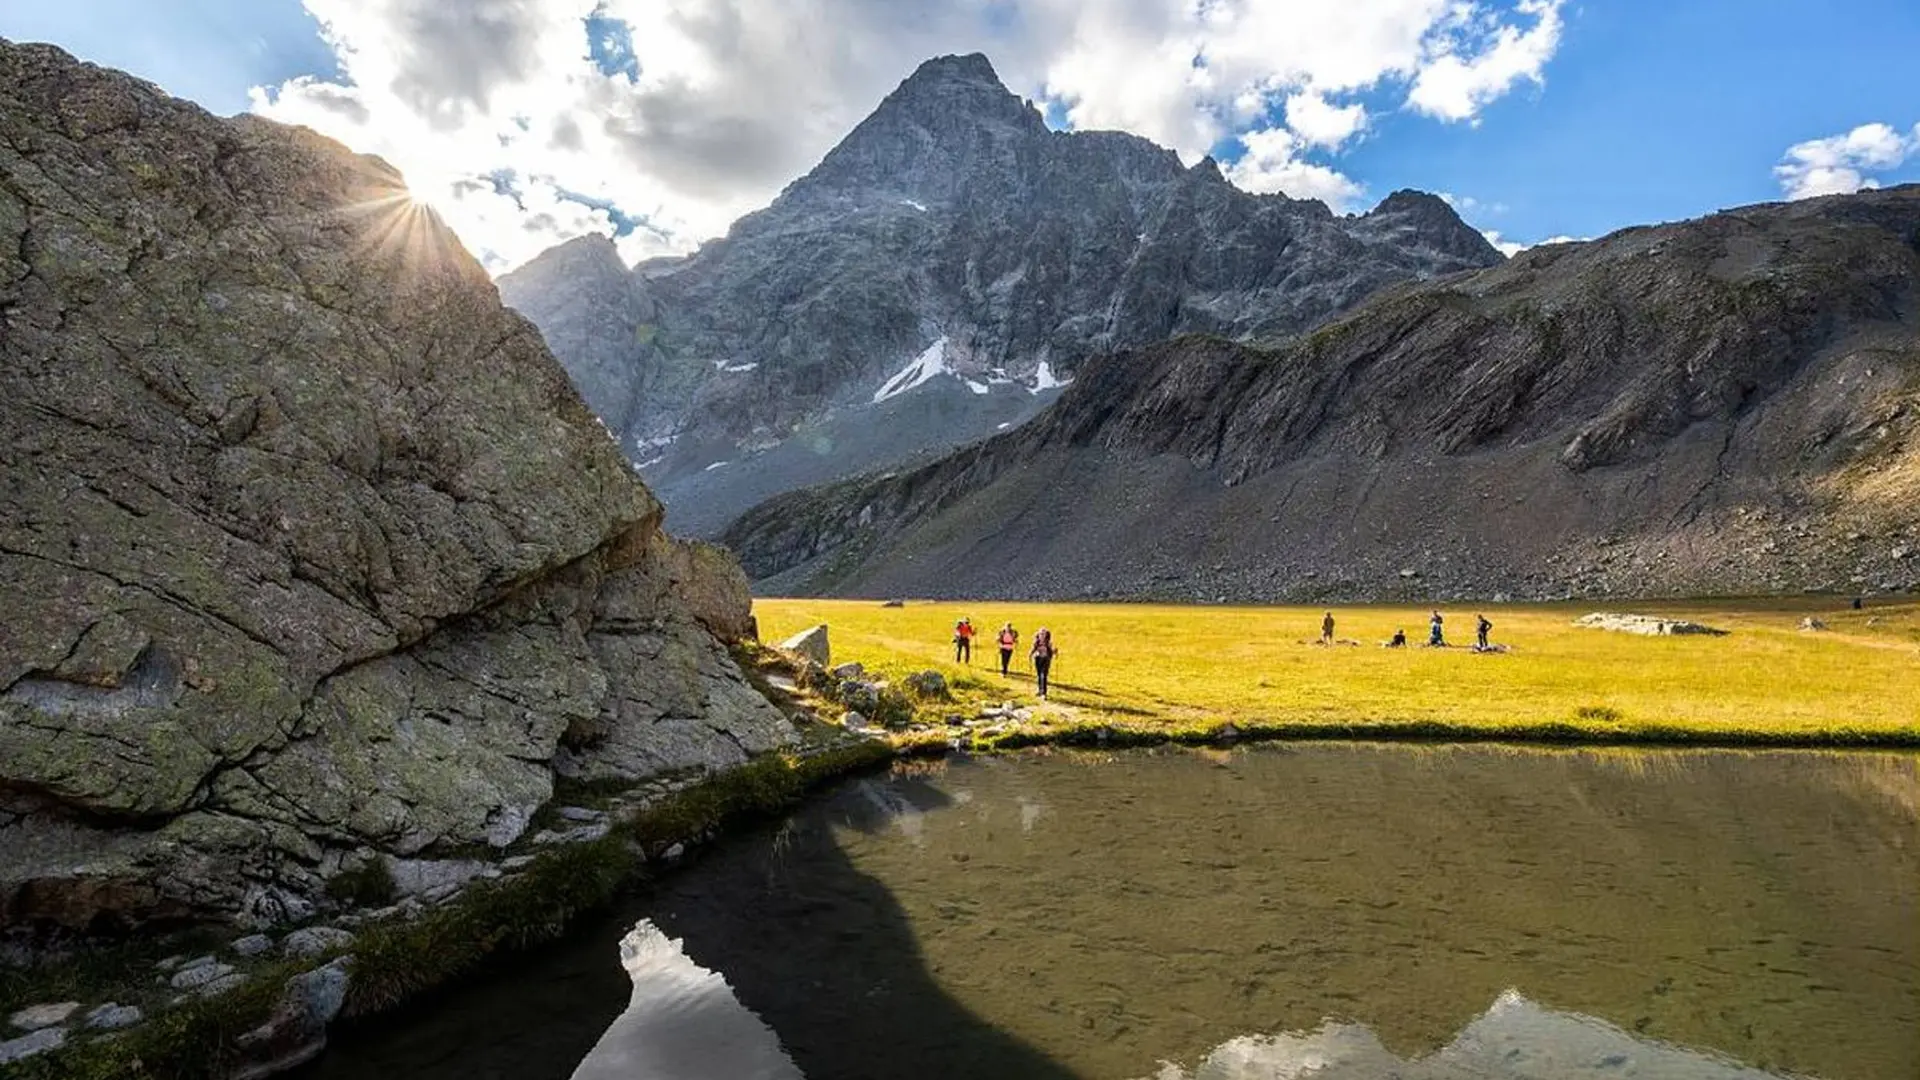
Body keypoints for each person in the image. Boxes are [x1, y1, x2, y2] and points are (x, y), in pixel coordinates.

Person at [1030, 627, 1057, 698]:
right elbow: (1033, 649)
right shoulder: (1036, 642)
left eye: (1043, 634)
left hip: (1046, 660)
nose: (1042, 635)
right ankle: (1039, 691)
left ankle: (1044, 693)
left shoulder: (1048, 642)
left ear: (1046, 635)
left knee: (1044, 676)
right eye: (1041, 634)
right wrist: (1030, 654)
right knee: (1039, 676)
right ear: (1038, 635)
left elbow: (1052, 650)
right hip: (1038, 659)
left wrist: (1055, 651)